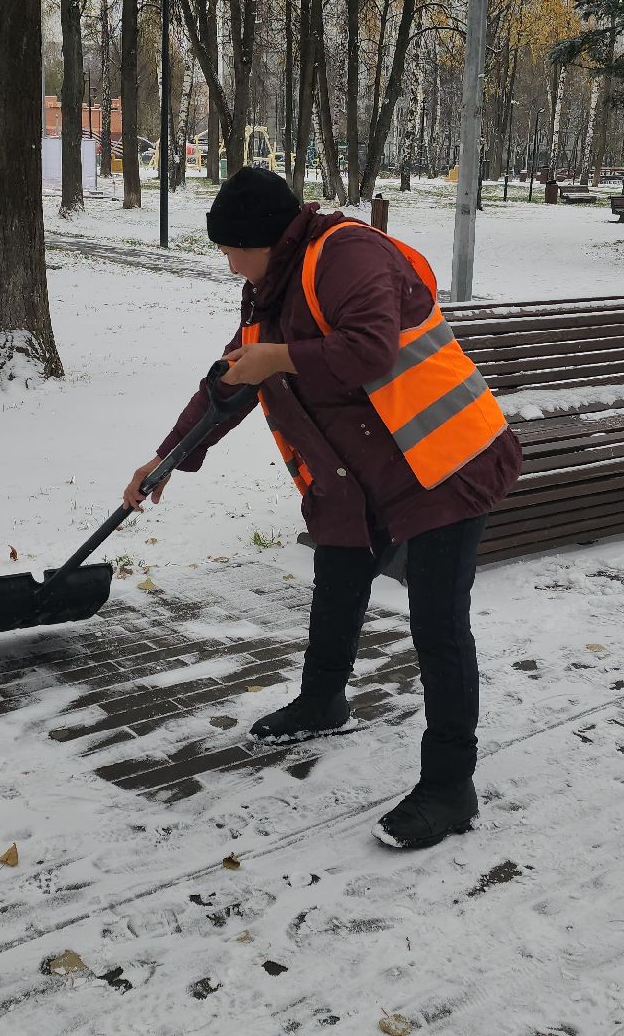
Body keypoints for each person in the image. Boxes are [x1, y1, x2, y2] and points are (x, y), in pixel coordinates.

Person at [123, 167, 520, 849]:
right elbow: (232, 380)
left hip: (444, 462)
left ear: (264, 240)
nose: (228, 265)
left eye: (231, 250)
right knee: (337, 581)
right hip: (360, 475)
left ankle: (451, 785)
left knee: (438, 625)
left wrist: (274, 356)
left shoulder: (348, 254)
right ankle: (323, 700)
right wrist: (165, 461)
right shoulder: (270, 291)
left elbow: (367, 349)